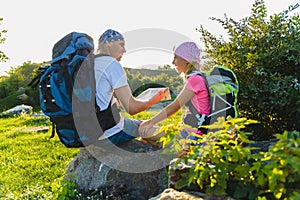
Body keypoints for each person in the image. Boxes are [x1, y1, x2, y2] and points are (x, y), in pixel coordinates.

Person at [92, 29, 164, 147]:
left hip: (87, 134)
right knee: (148, 128)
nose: (124, 50)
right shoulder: (111, 64)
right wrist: (155, 99)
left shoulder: (90, 63)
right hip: (108, 135)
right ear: (109, 43)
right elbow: (132, 108)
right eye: (121, 45)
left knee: (141, 126)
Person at [139, 41, 211, 145]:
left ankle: (168, 149)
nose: (173, 62)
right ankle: (165, 148)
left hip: (193, 135)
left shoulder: (195, 79)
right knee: (147, 134)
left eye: (176, 58)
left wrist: (150, 122)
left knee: (144, 132)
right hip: (192, 131)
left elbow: (174, 107)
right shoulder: (198, 77)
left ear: (187, 60)